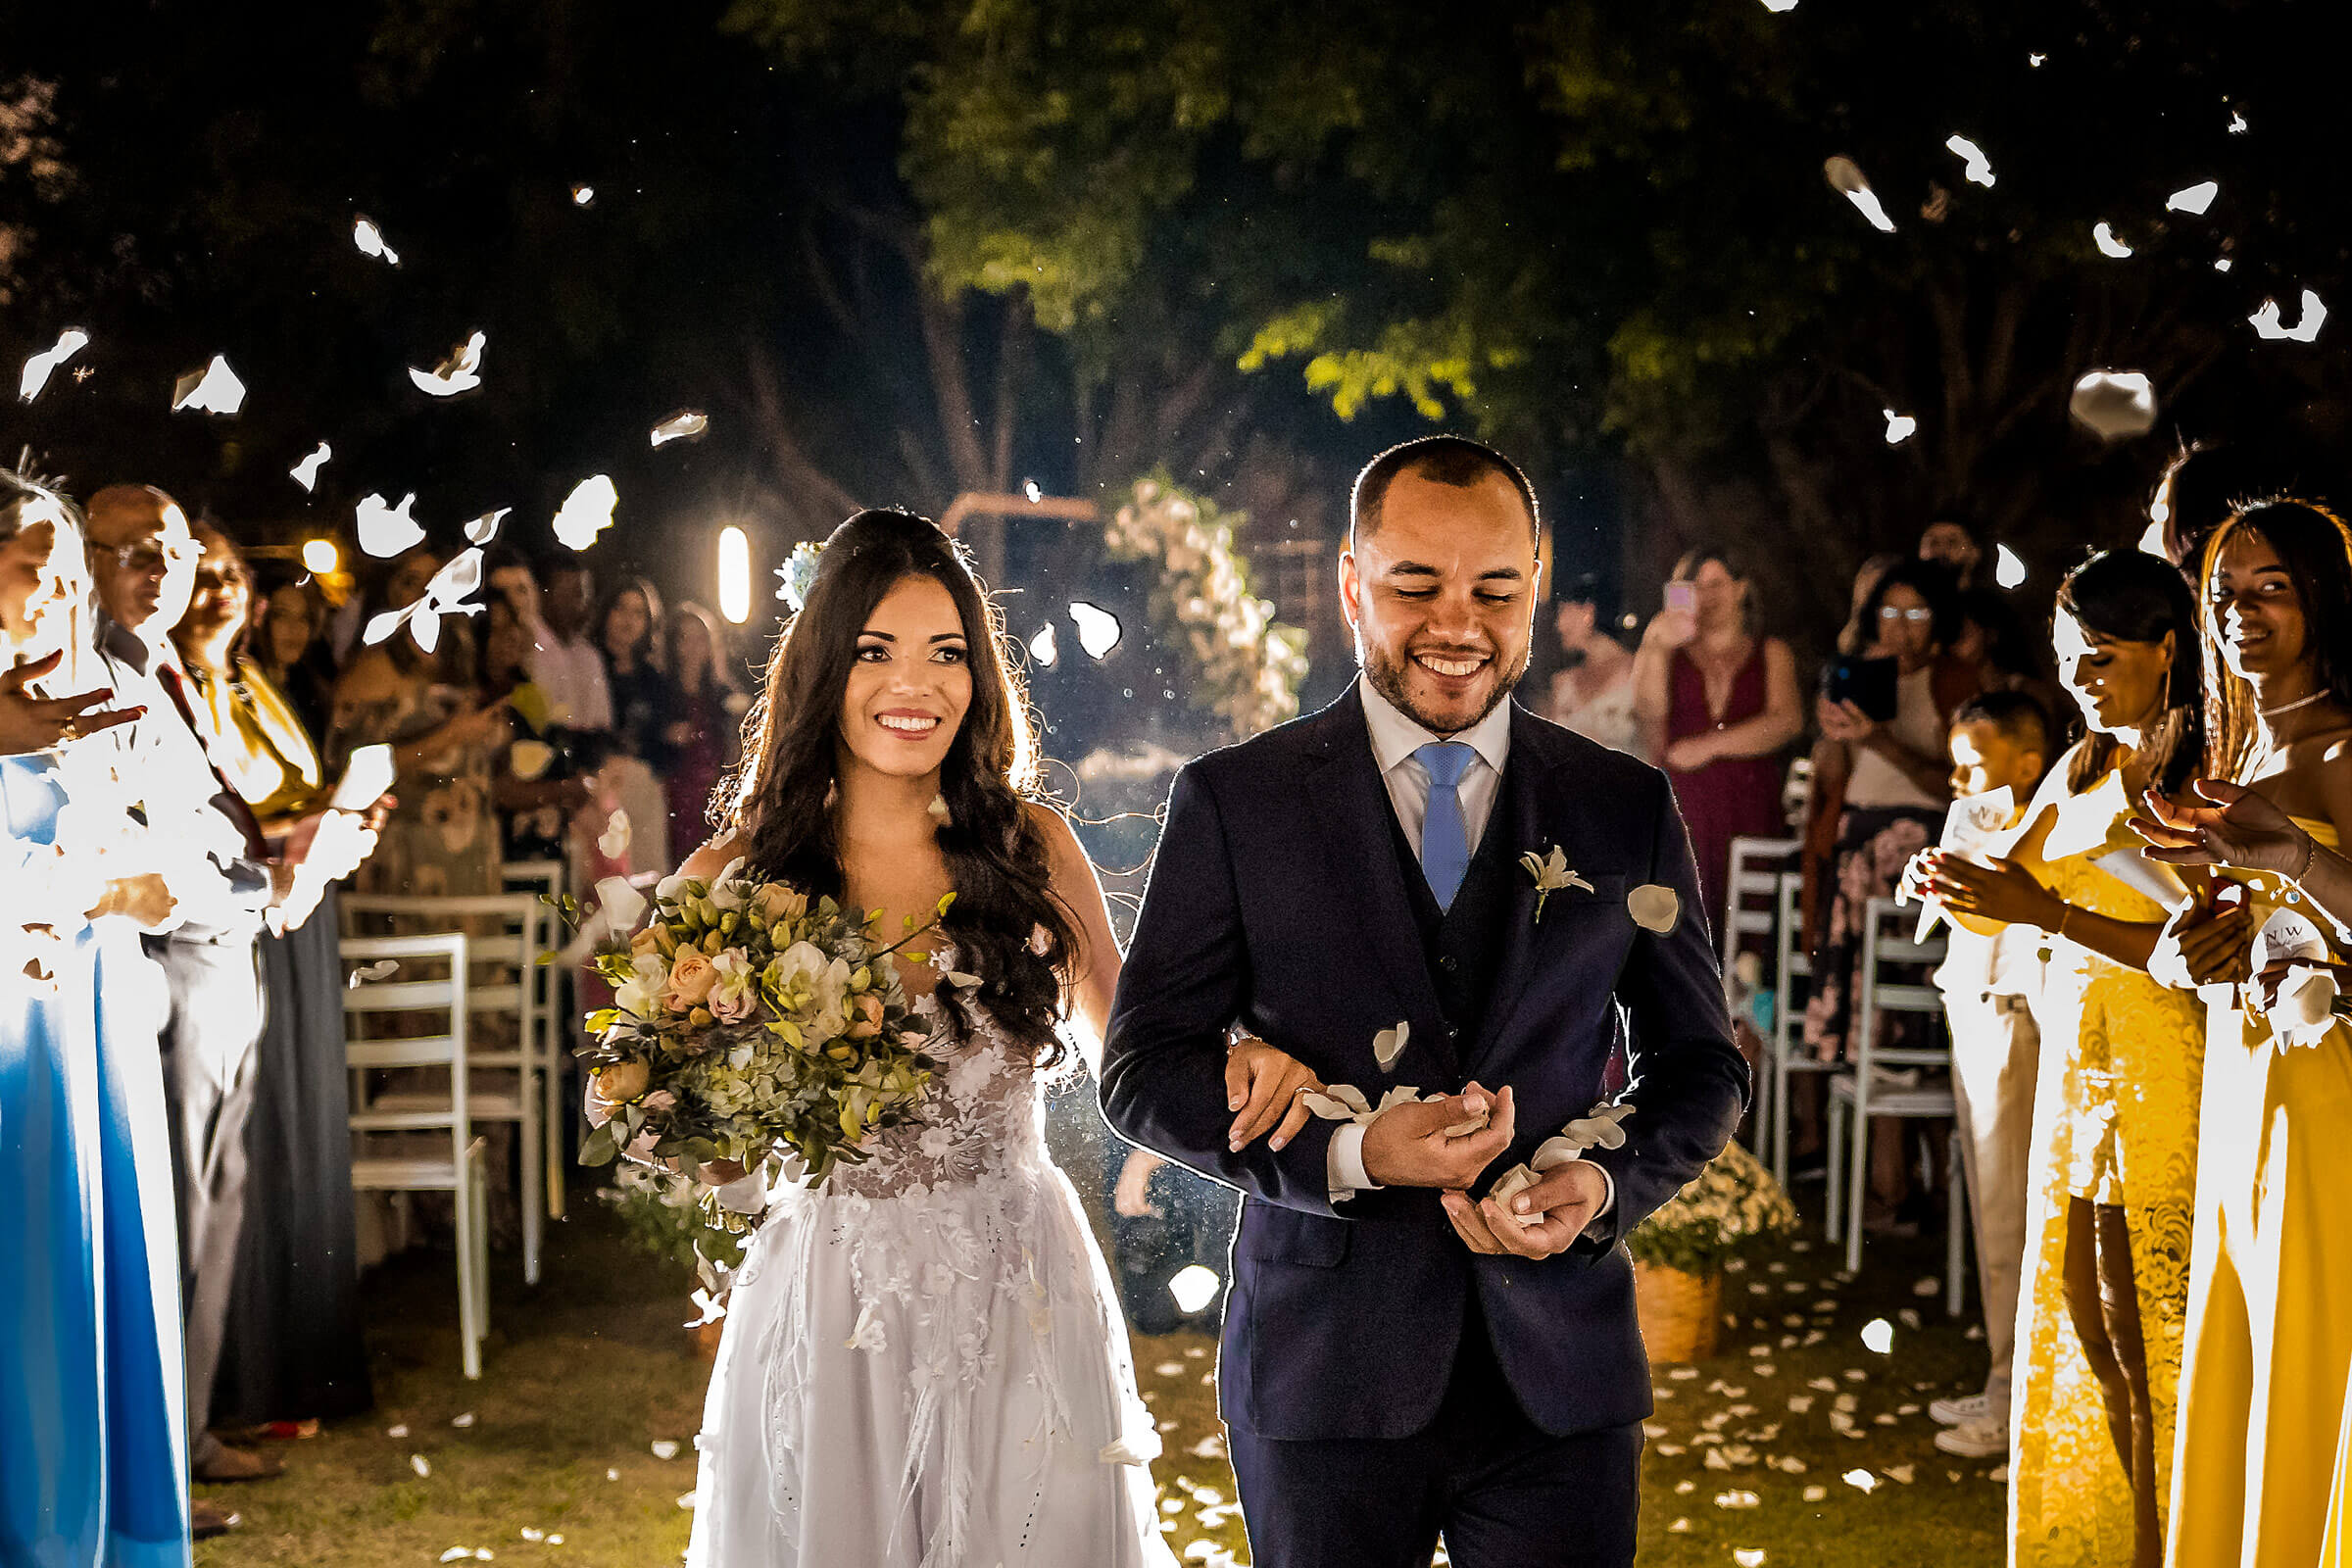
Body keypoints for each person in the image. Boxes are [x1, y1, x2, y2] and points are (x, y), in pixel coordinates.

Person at [1102, 436, 1749, 1568]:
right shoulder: (1234, 801)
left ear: (1536, 586)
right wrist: (1352, 1153)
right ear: (1351, 582)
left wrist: (1598, 1181)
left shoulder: (1623, 807)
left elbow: (1703, 1065)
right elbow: (1142, 1068)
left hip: (1562, 1377)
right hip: (1321, 1375)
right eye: (1416, 585)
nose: (1459, 622)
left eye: (1495, 588)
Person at [670, 509, 1194, 1566]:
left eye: (946, 654)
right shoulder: (731, 883)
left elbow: (1138, 1053)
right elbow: (712, 1163)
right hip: (825, 1297)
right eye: (876, 651)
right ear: (824, 666)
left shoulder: (1030, 845)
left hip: (1020, 1288)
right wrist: (683, 1094)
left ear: (980, 676)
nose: (916, 685)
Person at [1909, 552, 2209, 1565]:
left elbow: (2201, 945)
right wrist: (1942, 870)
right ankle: (2136, 1534)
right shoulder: (2080, 765)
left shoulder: (2199, 772)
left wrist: (2045, 913)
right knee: (2083, 1317)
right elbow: (2006, 873)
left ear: (2170, 650)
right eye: (2070, 651)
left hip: (2170, 1056)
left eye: (2105, 651)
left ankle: (2177, 1541)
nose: (2081, 672)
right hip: (2080, 1069)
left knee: (2151, 1334)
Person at [81, 484, 314, 1514]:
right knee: (169, 1209)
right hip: (163, 961)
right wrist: (268, 881)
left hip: (224, 952)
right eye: (124, 550)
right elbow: (141, 843)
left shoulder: (168, 667)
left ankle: (185, 1432)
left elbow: (210, 813)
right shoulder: (89, 671)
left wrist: (279, 857)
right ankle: (151, 1455)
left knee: (215, 1204)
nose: (154, 568)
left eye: (167, 549)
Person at [2134, 500, 2352, 1568]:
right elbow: (2234, 929)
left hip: (2325, 1094)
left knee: (2312, 1340)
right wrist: (2193, 940)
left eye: (2271, 586)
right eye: (2226, 592)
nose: (2242, 612)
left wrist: (2292, 857)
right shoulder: (2239, 743)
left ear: (2323, 597)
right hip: (2243, 1079)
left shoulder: (2345, 742)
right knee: (2250, 1341)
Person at [2, 472, 192, 1563]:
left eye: (71, 571)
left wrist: (127, 877)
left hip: (97, 1016)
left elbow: (151, 850)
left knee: (101, 1284)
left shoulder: (72, 698)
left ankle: (108, 1527)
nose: (63, 590)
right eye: (38, 565)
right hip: (20, 1030)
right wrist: (88, 887)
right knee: (30, 1287)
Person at [170, 521, 375, 1431]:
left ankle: (289, 1375)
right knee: (228, 1171)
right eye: (201, 576)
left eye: (229, 578)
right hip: (232, 921)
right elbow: (226, 819)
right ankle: (230, 1393)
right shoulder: (175, 691)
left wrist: (337, 822)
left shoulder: (251, 682)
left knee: (281, 1149)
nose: (218, 593)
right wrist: (297, 838)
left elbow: (284, 796)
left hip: (293, 919)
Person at [1798, 559, 1981, 1210]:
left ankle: (1902, 1180)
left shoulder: (1956, 684)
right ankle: (1890, 1178)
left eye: (1917, 614)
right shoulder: (1859, 675)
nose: (1901, 629)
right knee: (1861, 858)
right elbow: (1830, 778)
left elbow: (1960, 787)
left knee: (1885, 854)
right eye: (1890, 614)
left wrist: (1884, 739)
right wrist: (1841, 733)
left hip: (1920, 853)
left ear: (1939, 624)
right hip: (1856, 857)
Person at [1907, 690, 2051, 1463]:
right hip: (1974, 1005)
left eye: (1973, 766)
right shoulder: (1982, 826)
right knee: (1992, 1207)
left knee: (2009, 1213)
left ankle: (2014, 1397)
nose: (1959, 784)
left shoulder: (2043, 826)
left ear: (2027, 766)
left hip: (2011, 1013)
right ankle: (2004, 1378)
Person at [1633, 549, 1802, 924]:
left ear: (1740, 588)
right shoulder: (1672, 655)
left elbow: (1787, 721)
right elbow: (1648, 717)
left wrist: (1709, 746)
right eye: (1695, 586)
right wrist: (1655, 646)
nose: (1706, 595)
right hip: (1687, 801)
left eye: (1716, 584)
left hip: (1749, 799)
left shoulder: (1772, 652)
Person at [658, 600, 745, 844]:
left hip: (714, 789)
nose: (693, 647)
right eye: (685, 638)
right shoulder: (662, 692)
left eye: (700, 638)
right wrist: (665, 735)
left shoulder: (724, 694)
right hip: (673, 788)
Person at [1544, 577, 1637, 755]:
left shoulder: (1637, 673)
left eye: (1563, 611)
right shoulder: (1564, 683)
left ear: (1588, 612)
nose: (1558, 625)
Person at [598, 574, 675, 764]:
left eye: (638, 612)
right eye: (621, 608)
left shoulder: (653, 680)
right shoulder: (589, 664)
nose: (628, 619)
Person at [249, 575, 335, 744]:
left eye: (303, 618)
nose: (294, 628)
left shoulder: (314, 695)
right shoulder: (240, 687)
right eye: (281, 615)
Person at [532, 558, 612, 735]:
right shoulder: (529, 648)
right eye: (573, 594)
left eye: (585, 594)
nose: (582, 603)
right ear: (544, 594)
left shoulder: (589, 657)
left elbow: (600, 725)